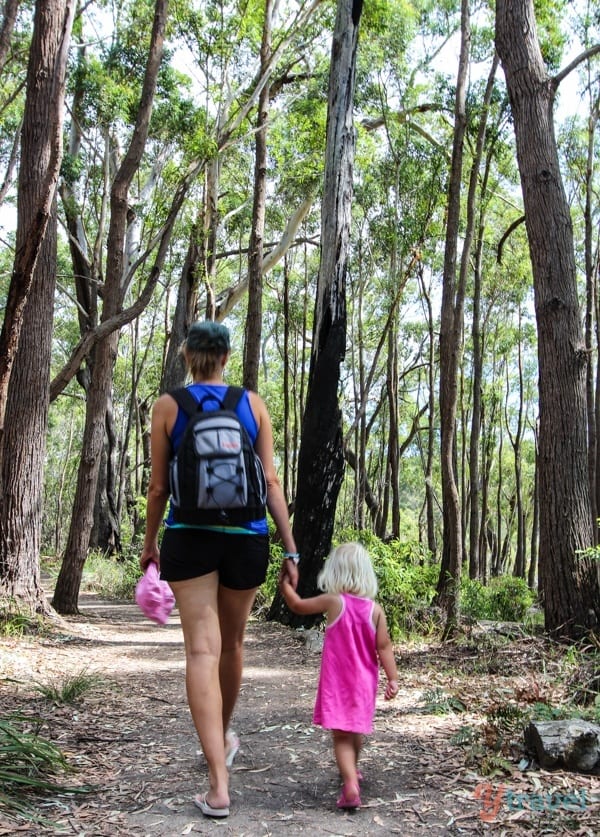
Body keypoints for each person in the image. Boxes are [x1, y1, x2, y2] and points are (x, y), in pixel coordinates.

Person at [140, 320, 299, 819]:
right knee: (231, 645)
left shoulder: (168, 406)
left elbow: (159, 489)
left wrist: (150, 546)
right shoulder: (252, 405)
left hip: (189, 536)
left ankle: (217, 782)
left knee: (200, 652)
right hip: (247, 538)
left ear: (187, 355)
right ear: (227, 356)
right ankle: (223, 736)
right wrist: (290, 549)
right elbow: (271, 480)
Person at [280, 541, 398, 810]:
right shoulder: (375, 610)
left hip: (339, 683)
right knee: (355, 729)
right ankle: (352, 771)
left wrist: (285, 586)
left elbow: (298, 606)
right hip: (365, 684)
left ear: (334, 573)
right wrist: (393, 679)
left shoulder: (334, 602)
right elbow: (384, 647)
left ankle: (350, 786)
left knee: (341, 736)